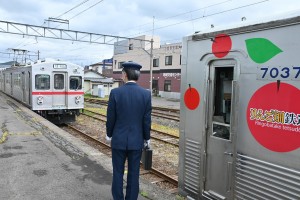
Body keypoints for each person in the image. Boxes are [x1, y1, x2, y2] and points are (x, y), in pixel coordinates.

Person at [106, 61, 152, 200]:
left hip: (119, 140)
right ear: (137, 75)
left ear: (125, 75)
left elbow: (111, 118)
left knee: (118, 172)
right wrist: (147, 138)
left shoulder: (115, 92)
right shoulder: (145, 94)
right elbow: (146, 120)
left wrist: (109, 135)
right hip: (136, 141)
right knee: (133, 173)